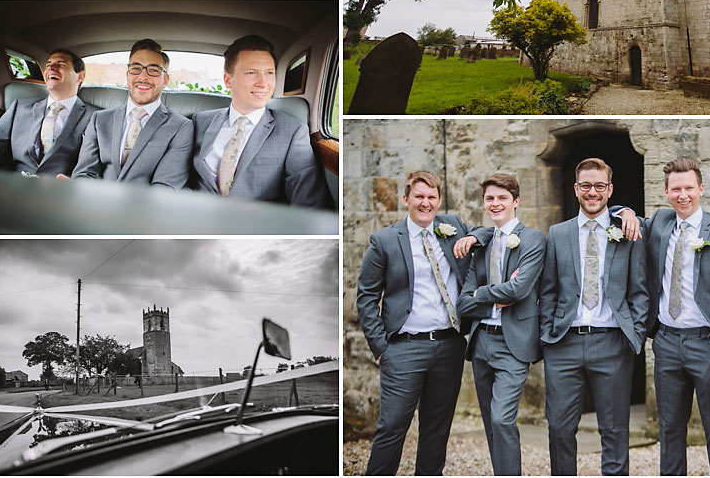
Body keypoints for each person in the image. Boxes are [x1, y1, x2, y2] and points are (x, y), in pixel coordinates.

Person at [356, 170, 486, 475]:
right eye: (419, 197)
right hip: (403, 349)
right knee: (392, 427)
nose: (425, 203)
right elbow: (366, 296)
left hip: (449, 345)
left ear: (439, 200)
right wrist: (380, 348)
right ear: (406, 199)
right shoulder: (385, 240)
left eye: (431, 197)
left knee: (437, 430)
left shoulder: (451, 226)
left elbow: (486, 233)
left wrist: (471, 236)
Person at [539, 157, 648, 476]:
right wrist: (548, 335)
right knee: (559, 428)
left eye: (599, 186)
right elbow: (548, 290)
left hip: (612, 343)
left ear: (610, 190)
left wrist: (634, 335)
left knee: (614, 431)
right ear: (575, 189)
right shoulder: (557, 233)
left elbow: (640, 290)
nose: (592, 192)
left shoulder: (627, 231)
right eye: (586, 185)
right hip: (563, 345)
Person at [642, 157, 710, 476]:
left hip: (706, 344)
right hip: (667, 342)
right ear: (666, 192)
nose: (682, 195)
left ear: (701, 189)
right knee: (669, 430)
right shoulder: (658, 223)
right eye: (675, 189)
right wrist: (625, 210)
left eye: (688, 188)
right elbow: (618, 218)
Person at [455, 173, 545, 476]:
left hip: (513, 344)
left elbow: (518, 291)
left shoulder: (532, 239)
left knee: (501, 419)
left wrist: (481, 294)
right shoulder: (481, 243)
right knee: (489, 423)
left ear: (515, 201)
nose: (495, 204)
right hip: (481, 343)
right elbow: (463, 303)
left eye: (502, 198)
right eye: (490, 198)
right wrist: (493, 296)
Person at [189, 35, 330, 207]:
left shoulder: (292, 132)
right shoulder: (199, 121)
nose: (263, 83)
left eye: (269, 73)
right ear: (227, 80)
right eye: (251, 73)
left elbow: (309, 203)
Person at [68, 39, 192, 187]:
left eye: (153, 70)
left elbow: (165, 186)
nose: (143, 77)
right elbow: (84, 172)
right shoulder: (99, 120)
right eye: (136, 68)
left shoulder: (181, 127)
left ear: (164, 79)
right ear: (127, 74)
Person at [0, 49, 98, 176]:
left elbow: (95, 167)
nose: (51, 68)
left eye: (61, 64)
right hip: (14, 188)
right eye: (48, 65)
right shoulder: (19, 108)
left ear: (80, 76)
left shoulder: (96, 117)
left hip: (63, 191)